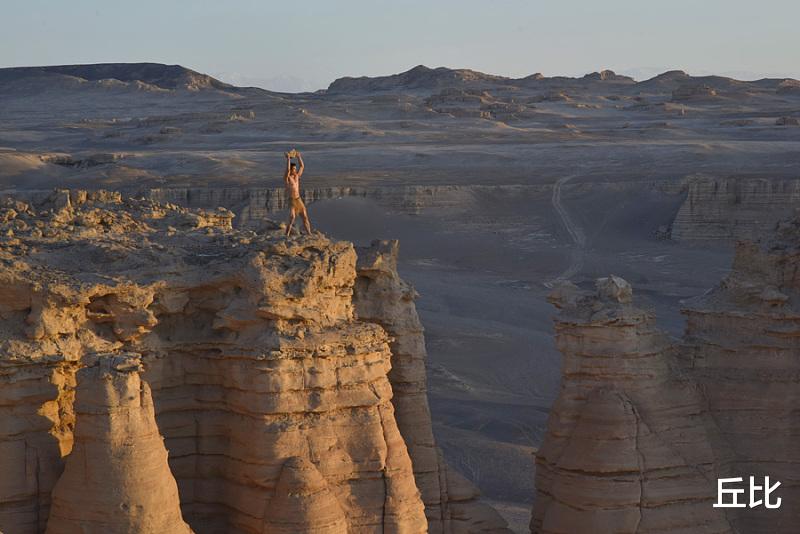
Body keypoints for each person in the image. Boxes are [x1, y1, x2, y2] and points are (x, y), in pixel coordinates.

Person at [283, 150, 312, 236]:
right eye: (294, 169)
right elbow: (287, 170)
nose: (295, 170)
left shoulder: (297, 177)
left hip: (298, 199)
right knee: (292, 218)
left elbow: (302, 166)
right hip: (292, 201)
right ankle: (287, 234)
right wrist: (288, 159)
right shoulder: (287, 178)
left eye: (295, 169)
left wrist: (299, 157)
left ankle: (309, 233)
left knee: (305, 217)